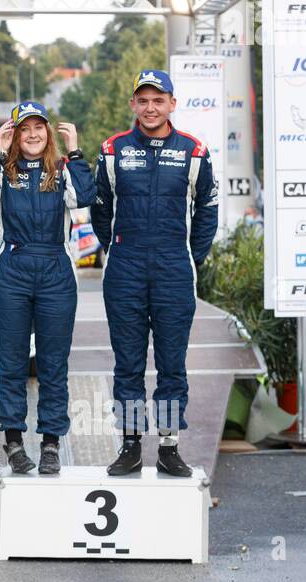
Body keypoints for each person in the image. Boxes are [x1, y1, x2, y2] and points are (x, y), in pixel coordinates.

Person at [93, 69, 218, 477]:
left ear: (171, 104)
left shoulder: (194, 151)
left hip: (173, 268)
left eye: (158, 100)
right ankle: (130, 444)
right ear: (133, 104)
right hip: (125, 266)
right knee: (127, 362)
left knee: (171, 362)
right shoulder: (113, 150)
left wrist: (188, 256)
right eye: (143, 100)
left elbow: (207, 211)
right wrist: (117, 249)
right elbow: (100, 210)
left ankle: (168, 445)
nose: (150, 108)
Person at [0, 103, 94, 475]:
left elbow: (85, 196)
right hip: (13, 268)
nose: (34, 134)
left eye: (39, 127)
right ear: (15, 135)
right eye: (25, 129)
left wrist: (76, 152)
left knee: (53, 364)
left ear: (48, 133)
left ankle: (52, 442)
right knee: (12, 364)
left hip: (55, 267)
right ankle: (13, 441)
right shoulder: (4, 171)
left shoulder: (63, 169)